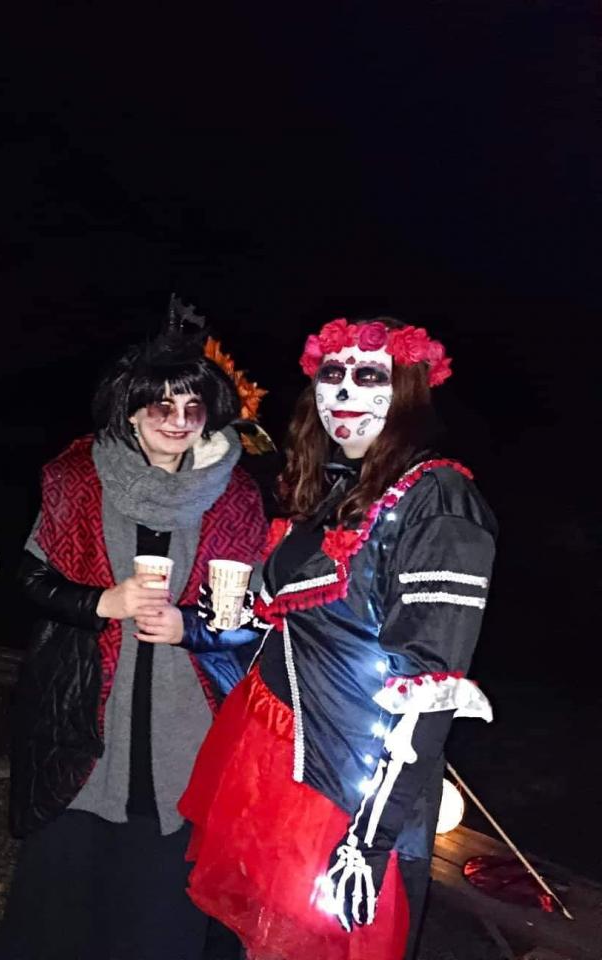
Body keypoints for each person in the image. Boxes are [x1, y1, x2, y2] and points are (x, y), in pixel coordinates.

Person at [178, 317, 497, 960]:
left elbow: (430, 690)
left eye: (370, 375)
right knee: (237, 943)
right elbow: (308, 620)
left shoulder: (439, 501)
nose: (346, 390)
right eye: (332, 373)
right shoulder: (337, 486)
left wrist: (367, 842)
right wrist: (239, 618)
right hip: (269, 752)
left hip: (345, 787)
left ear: (408, 390)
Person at [0, 309, 268, 960]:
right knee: (59, 900)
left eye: (193, 407)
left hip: (186, 728)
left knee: (158, 909)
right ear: (132, 409)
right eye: (161, 405)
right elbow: (30, 577)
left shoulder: (236, 496)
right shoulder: (77, 478)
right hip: (83, 713)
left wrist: (191, 626)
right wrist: (100, 602)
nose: (177, 420)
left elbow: (250, 618)